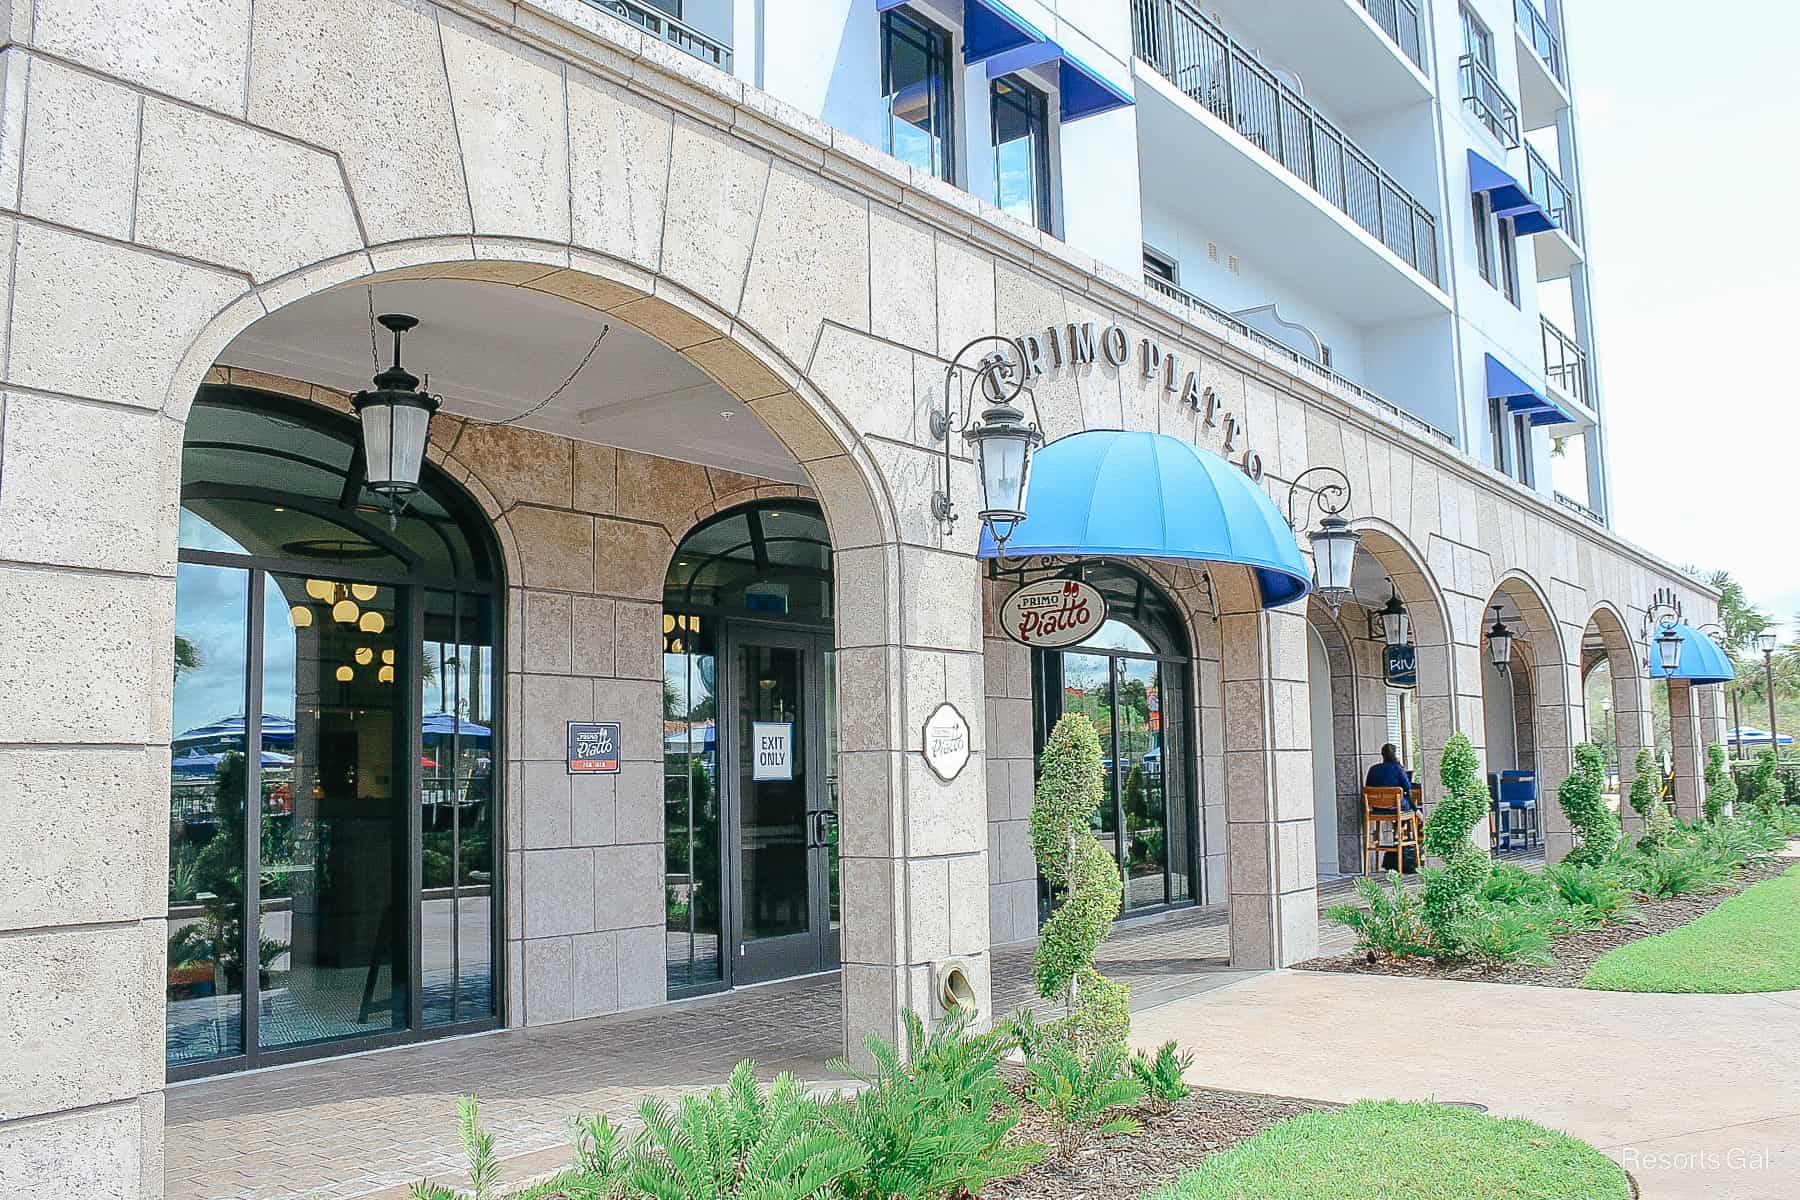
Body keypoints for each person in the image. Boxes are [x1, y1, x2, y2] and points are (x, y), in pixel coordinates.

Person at [1365, 744, 1417, 811]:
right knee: (1408, 801)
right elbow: (1407, 787)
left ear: (1382, 754)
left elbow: (1368, 787)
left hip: (1376, 806)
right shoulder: (1398, 768)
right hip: (1396, 806)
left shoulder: (1373, 769)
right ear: (1394, 754)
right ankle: (1409, 819)